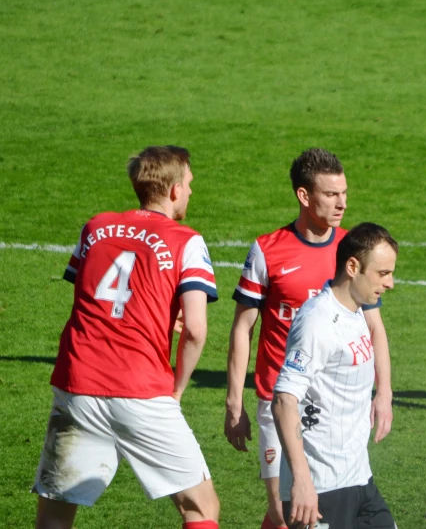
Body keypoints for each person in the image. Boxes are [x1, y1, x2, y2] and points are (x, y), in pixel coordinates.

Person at [32, 146, 221, 529]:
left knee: (56, 509)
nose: (190, 192)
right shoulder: (187, 240)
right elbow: (197, 330)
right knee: (200, 508)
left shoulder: (96, 227)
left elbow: (94, 296)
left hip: (77, 384)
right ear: (172, 190)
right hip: (141, 388)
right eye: (188, 184)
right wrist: (178, 389)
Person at [224, 149, 393, 529]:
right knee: (283, 512)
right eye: (331, 194)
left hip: (336, 407)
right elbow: (243, 327)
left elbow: (375, 327)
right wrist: (234, 400)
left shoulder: (354, 250)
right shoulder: (268, 250)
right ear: (304, 196)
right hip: (280, 401)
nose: (342, 203)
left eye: (344, 193)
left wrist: (384, 393)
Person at [271, 223, 398, 529]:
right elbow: (284, 400)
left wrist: (384, 394)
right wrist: (301, 482)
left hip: (358, 477)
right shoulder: (318, 322)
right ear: (353, 267)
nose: (391, 283)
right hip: (321, 488)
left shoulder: (355, 310)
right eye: (383, 273)